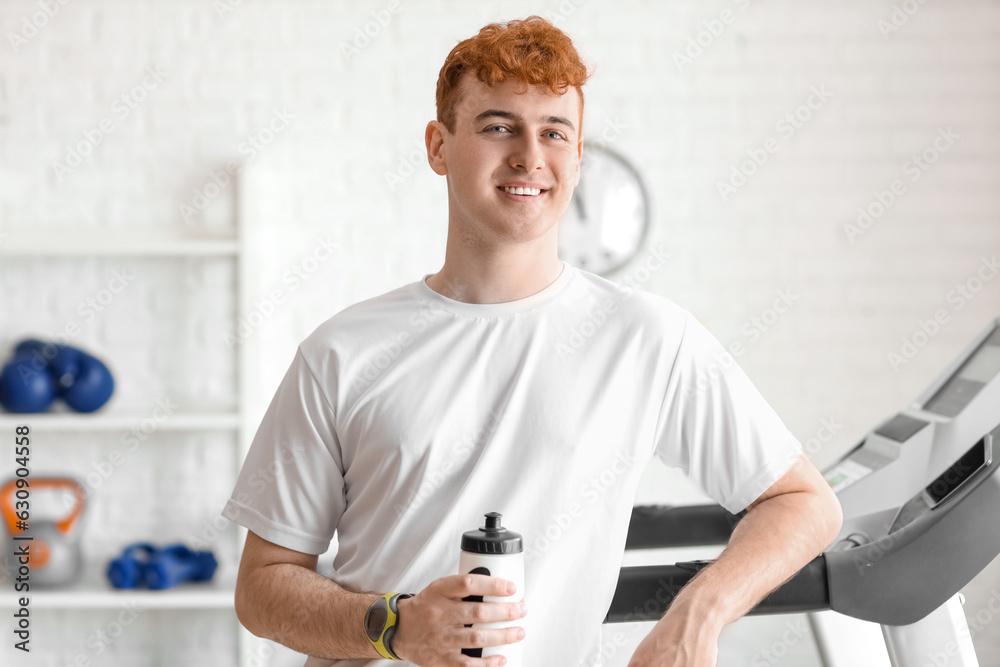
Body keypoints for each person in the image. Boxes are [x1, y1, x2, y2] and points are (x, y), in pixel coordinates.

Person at [223, 15, 843, 667]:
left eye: (554, 132)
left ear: (577, 157)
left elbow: (803, 502)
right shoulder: (341, 351)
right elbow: (261, 587)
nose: (529, 156)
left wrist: (698, 614)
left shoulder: (648, 339)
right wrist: (395, 626)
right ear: (438, 146)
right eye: (498, 127)